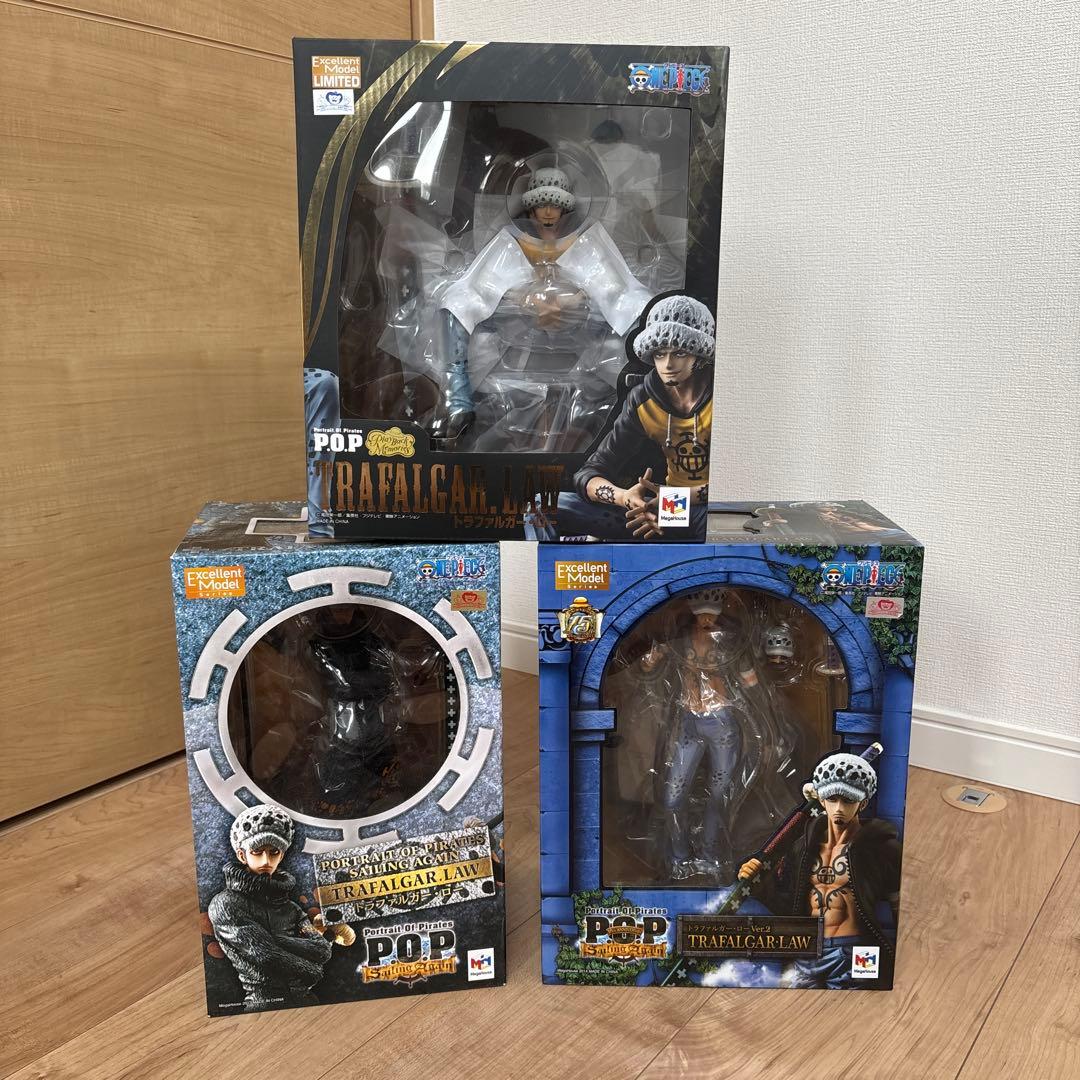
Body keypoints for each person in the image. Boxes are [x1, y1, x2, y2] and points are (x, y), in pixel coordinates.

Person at [432, 166, 653, 446]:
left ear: (565, 208)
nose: (548, 212)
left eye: (555, 205)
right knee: (455, 304)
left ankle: (645, 396)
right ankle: (458, 402)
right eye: (541, 205)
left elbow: (612, 287)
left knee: (639, 310)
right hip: (516, 339)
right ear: (531, 208)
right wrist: (521, 298)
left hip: (583, 337)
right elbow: (482, 286)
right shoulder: (512, 241)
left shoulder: (585, 239)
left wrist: (576, 300)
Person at [538, 294, 714, 540]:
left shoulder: (725, 397)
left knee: (718, 519)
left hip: (706, 510)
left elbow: (745, 485)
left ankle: (613, 543)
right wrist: (627, 499)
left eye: (680, 353)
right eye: (660, 353)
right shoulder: (643, 399)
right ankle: (590, 552)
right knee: (541, 505)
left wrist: (671, 500)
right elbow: (590, 473)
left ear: (700, 355)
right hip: (659, 508)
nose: (668, 364)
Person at [738, 752, 902, 988]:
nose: (839, 808)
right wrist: (759, 883)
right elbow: (787, 906)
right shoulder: (802, 849)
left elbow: (901, 909)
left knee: (858, 1006)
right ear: (821, 801)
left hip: (855, 951)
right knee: (792, 1005)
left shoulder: (880, 848)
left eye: (848, 800)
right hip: (806, 949)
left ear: (863, 803)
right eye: (832, 799)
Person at [639, 589, 758, 880]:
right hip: (688, 721)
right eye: (702, 614)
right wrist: (651, 657)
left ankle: (709, 855)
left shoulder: (730, 644)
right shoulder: (678, 643)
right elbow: (647, 664)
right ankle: (680, 856)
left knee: (719, 795)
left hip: (723, 723)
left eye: (712, 615)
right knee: (672, 795)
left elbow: (751, 683)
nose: (707, 620)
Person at [208, 804, 353, 1010]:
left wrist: (277, 940)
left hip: (307, 1001)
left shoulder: (291, 908)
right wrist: (312, 970)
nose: (266, 860)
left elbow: (322, 951)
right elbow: (265, 955)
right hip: (263, 1004)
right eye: (257, 852)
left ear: (282, 855)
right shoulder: (226, 903)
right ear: (242, 855)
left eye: (274, 852)